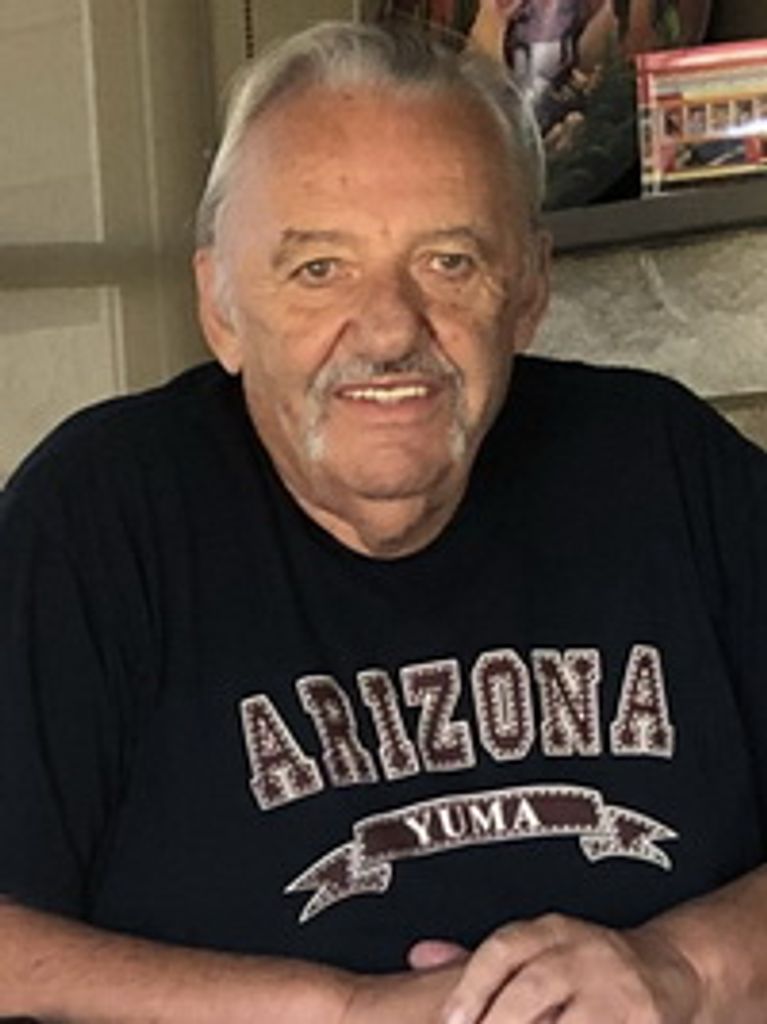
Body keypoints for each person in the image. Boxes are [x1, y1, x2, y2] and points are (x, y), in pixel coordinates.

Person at [0, 19, 766, 1024]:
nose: (390, 327)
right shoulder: (96, 519)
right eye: (318, 268)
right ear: (221, 308)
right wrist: (345, 1011)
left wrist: (682, 969)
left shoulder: (665, 466)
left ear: (527, 290)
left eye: (448, 261)